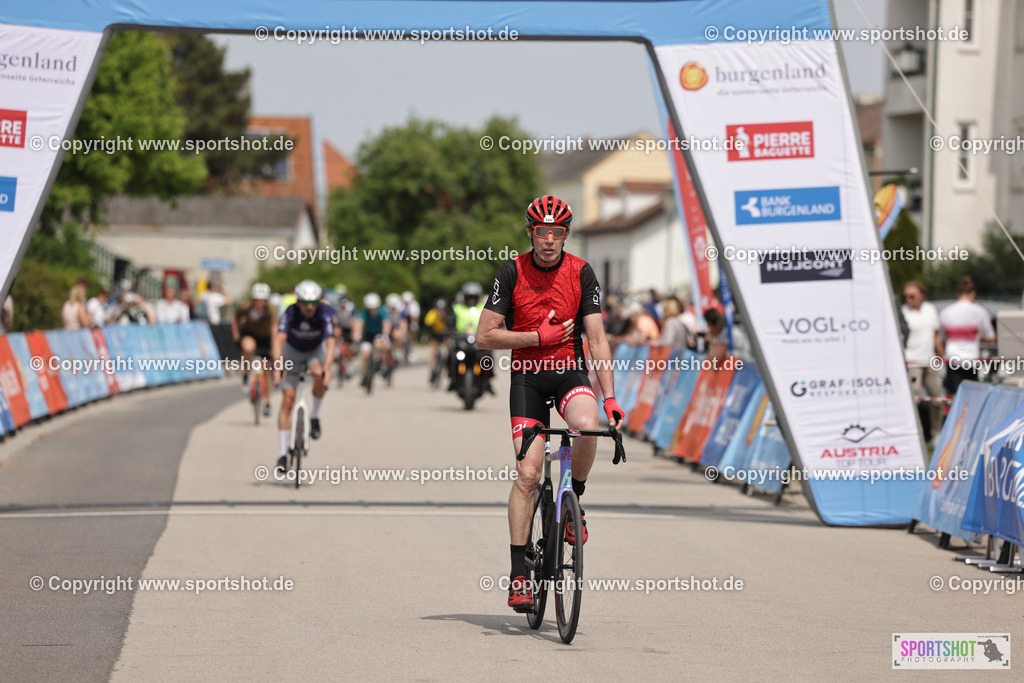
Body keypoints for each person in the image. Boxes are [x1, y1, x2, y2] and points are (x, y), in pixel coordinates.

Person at [475, 194, 622, 613]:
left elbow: (596, 339)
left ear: (565, 235)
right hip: (528, 380)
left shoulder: (581, 272)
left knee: (588, 423)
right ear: (530, 233)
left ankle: (575, 499)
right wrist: (537, 338)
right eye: (542, 232)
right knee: (527, 473)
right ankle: (519, 573)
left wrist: (610, 397)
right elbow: (485, 336)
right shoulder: (512, 271)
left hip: (570, 373)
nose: (549, 241)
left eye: (556, 233)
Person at [272, 280, 335, 473]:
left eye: (314, 302)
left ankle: (314, 416)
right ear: (298, 301)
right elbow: (279, 338)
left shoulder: (325, 312)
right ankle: (283, 454)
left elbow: (331, 341)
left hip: (314, 351)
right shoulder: (290, 312)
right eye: (306, 302)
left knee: (318, 373)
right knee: (288, 402)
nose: (310, 307)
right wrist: (278, 364)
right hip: (292, 351)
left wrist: (327, 368)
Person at [902, 281, 944, 442]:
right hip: (911, 361)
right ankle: (913, 435)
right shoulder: (903, 312)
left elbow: (936, 335)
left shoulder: (930, 309)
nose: (909, 300)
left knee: (937, 398)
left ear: (922, 295)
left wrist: (942, 355)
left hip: (930, 361)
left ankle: (936, 434)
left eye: (912, 296)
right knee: (914, 399)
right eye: (906, 296)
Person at [939, 276, 995, 395]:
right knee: (970, 397)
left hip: (952, 360)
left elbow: (942, 339)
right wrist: (978, 336)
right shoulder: (980, 311)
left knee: (954, 397)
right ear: (973, 293)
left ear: (957, 293)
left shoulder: (945, 312)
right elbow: (991, 338)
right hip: (972, 360)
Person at [233, 283, 278, 414]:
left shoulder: (271, 310)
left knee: (267, 369)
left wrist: (275, 347)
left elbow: (275, 329)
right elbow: (235, 319)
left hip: (266, 337)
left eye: (262, 300)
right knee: (248, 348)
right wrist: (236, 336)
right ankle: (246, 375)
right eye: (257, 300)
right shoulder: (245, 307)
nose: (259, 303)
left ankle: (268, 402)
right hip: (250, 334)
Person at [354, 292, 392, 389]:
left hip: (379, 334)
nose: (372, 310)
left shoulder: (382, 312)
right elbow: (360, 323)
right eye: (370, 308)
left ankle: (383, 365)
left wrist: (385, 335)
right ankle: (364, 375)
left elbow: (386, 323)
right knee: (364, 354)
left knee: (381, 346)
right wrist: (357, 333)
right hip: (368, 335)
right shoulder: (365, 312)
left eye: (374, 308)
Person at [423, 297, 454, 380]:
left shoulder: (449, 316)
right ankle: (432, 371)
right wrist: (425, 335)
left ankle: (448, 362)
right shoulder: (432, 314)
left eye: (443, 309)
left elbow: (452, 327)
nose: (441, 311)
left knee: (449, 345)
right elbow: (427, 326)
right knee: (433, 352)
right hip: (435, 335)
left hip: (446, 335)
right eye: (439, 309)